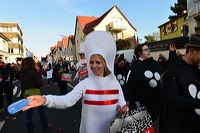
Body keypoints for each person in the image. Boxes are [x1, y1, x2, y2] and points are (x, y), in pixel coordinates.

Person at [22, 31, 128, 133]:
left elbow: (122, 104)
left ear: (105, 63)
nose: (93, 66)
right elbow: (67, 100)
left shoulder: (115, 84)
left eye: (98, 62)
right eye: (91, 62)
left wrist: (123, 109)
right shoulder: (85, 84)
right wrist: (45, 100)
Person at [161, 33, 200, 133]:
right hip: (180, 126)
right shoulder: (172, 72)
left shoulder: (196, 68)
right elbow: (173, 100)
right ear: (192, 51)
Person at [126, 43, 163, 132]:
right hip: (142, 104)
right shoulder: (135, 66)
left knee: (154, 127)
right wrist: (129, 101)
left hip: (156, 103)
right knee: (144, 129)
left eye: (148, 49)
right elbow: (130, 86)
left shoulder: (154, 63)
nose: (148, 51)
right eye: (146, 50)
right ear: (139, 53)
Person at [19, 57, 49, 133]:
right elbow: (40, 83)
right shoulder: (33, 71)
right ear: (31, 63)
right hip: (36, 94)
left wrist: (22, 95)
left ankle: (30, 129)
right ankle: (45, 126)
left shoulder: (22, 72)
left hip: (27, 94)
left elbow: (22, 85)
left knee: (29, 114)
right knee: (41, 111)